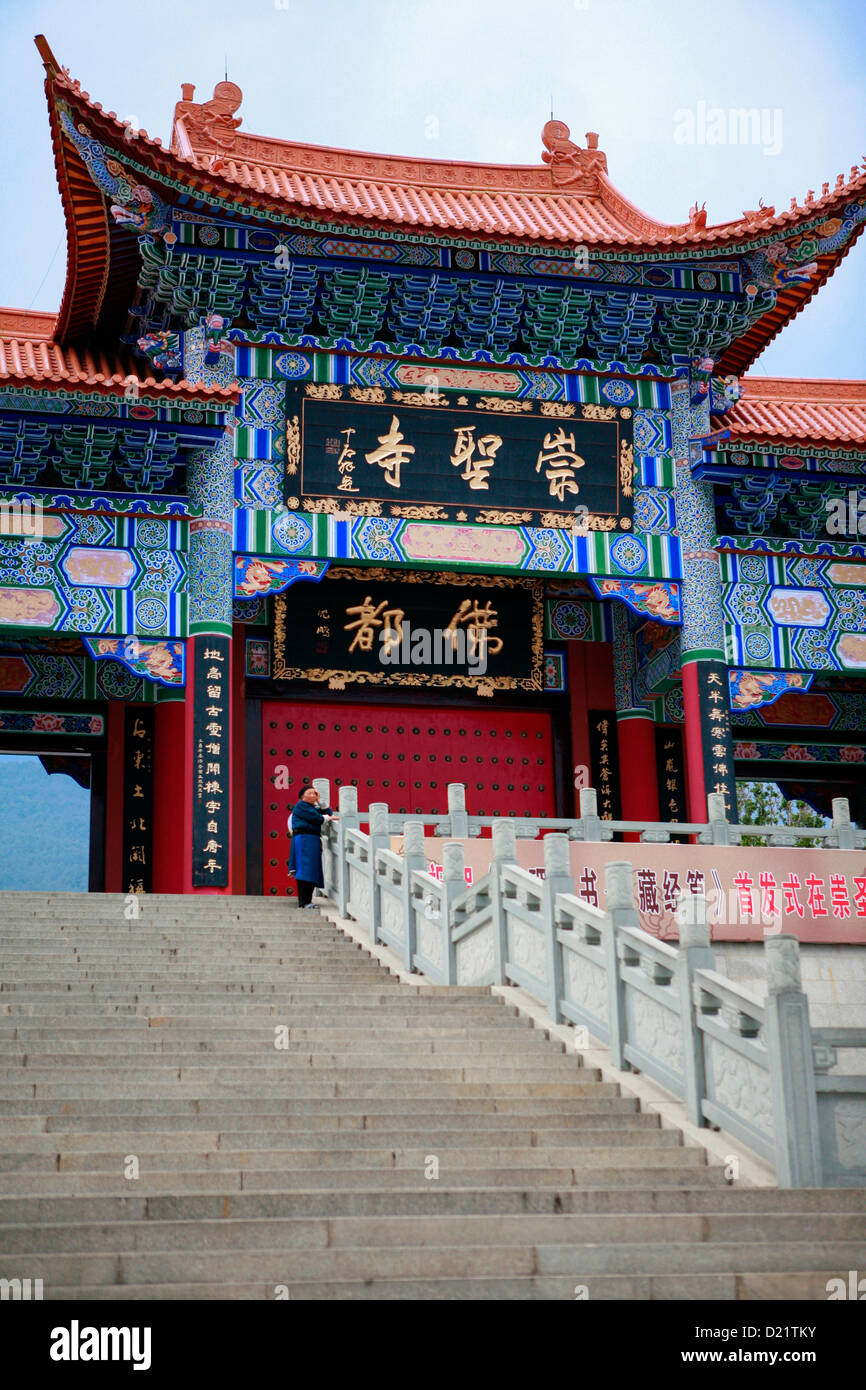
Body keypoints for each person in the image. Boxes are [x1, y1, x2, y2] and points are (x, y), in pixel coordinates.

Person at [288, 785, 336, 908]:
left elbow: (327, 812)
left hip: (312, 840)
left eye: (314, 794)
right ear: (302, 796)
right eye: (309, 793)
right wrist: (327, 818)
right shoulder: (301, 806)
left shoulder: (312, 807)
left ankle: (307, 901)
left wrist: (320, 802)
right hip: (304, 839)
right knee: (304, 871)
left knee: (311, 870)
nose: (312, 795)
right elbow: (316, 818)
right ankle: (303, 902)